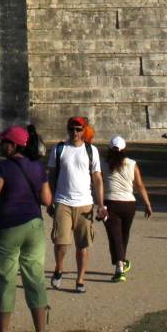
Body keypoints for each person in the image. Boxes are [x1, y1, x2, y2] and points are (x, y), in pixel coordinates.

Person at [0, 125, 51, 332]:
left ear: (14, 146)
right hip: (34, 226)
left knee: (5, 279)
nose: (0, 144)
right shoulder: (38, 167)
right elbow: (47, 200)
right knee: (35, 277)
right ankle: (40, 329)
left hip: (8, 226)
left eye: (4, 141)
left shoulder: (3, 167)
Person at [46, 115, 106, 293]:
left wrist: (101, 204)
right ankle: (59, 268)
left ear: (84, 130)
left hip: (85, 203)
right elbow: (51, 176)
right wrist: (50, 200)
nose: (75, 132)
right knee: (61, 243)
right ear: (67, 129)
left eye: (78, 129)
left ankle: (80, 279)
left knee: (83, 245)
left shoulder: (91, 150)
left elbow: (97, 178)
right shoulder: (59, 149)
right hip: (62, 201)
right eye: (72, 129)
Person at [101, 136, 153, 282]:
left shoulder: (103, 164)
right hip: (129, 204)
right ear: (124, 149)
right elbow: (140, 185)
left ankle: (119, 268)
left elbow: (97, 182)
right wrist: (147, 204)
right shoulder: (132, 164)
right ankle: (122, 261)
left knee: (115, 237)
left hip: (111, 203)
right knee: (123, 235)